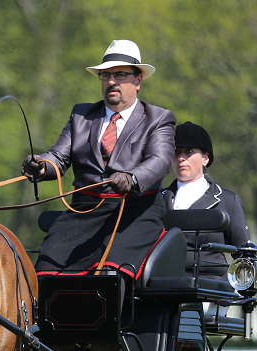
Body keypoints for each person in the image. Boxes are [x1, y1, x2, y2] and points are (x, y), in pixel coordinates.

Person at [21, 39, 175, 278]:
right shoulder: (81, 115)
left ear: (138, 80)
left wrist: (132, 178)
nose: (112, 81)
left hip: (134, 213)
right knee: (44, 273)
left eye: (121, 74)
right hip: (84, 210)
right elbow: (58, 156)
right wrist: (40, 166)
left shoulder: (158, 118)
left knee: (110, 278)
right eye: (105, 75)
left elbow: (161, 160)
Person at [162, 122, 251, 280]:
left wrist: (233, 289)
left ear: (205, 158)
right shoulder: (158, 200)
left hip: (210, 287)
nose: (181, 158)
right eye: (176, 152)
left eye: (189, 152)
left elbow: (245, 255)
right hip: (163, 283)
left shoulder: (227, 200)